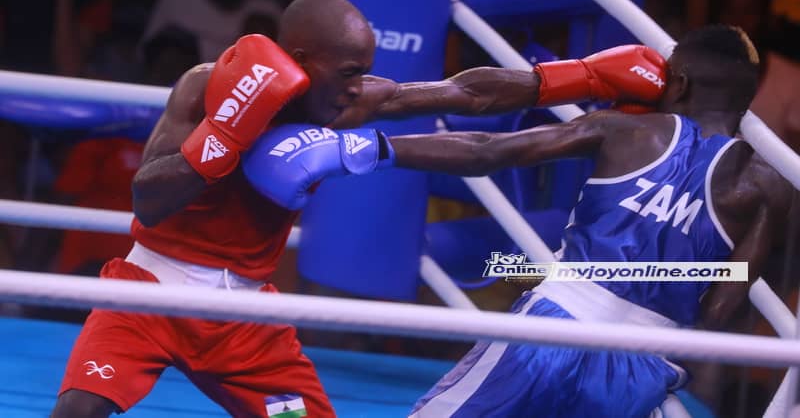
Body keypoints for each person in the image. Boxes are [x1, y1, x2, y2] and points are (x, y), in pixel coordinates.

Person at [51, 0, 667, 416]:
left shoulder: (354, 102)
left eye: (363, 72)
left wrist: (582, 76)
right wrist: (227, 134)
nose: (356, 88)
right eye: (347, 71)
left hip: (242, 322)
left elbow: (464, 94)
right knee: (78, 409)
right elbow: (149, 202)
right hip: (147, 293)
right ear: (299, 63)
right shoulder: (205, 88)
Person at [244, 25, 794, 417]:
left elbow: (487, 151)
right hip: (643, 365)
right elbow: (722, 307)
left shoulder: (628, 132)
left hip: (552, 327)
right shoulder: (767, 186)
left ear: (674, 84)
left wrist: (367, 148)